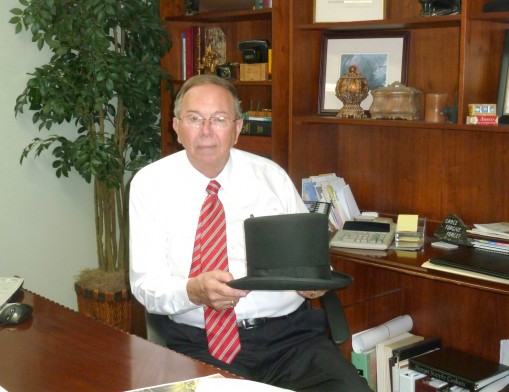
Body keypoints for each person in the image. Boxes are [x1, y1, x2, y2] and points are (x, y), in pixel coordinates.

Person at [129, 74, 370, 392]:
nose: (206, 131)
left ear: (238, 128)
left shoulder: (271, 177)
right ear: (176, 127)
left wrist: (313, 284)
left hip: (289, 343)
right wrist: (193, 291)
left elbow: (309, 259)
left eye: (219, 119)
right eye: (194, 118)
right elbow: (145, 286)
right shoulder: (150, 185)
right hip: (197, 345)